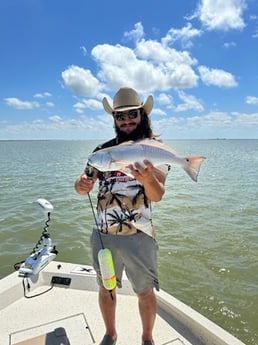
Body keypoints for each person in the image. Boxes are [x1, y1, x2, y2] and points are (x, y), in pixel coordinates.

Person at [74, 87, 169, 345]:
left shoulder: (155, 149)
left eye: (132, 115)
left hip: (140, 235)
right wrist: (81, 185)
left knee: (145, 291)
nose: (126, 121)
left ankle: (147, 338)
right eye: (120, 116)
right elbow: (84, 181)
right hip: (104, 235)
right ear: (114, 119)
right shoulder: (102, 150)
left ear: (142, 115)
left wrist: (148, 178)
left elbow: (157, 194)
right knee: (106, 287)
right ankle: (110, 333)